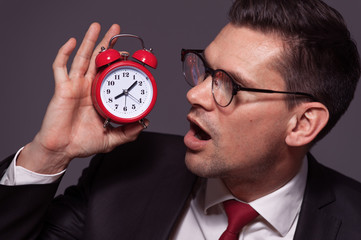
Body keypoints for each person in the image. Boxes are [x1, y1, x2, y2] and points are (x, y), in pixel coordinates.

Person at [0, 0, 360, 239]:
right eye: (205, 71)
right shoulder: (127, 170)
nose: (194, 94)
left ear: (302, 124)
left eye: (229, 85)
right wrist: (48, 154)